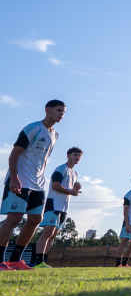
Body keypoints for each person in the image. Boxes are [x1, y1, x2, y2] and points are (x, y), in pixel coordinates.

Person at [0, 100, 65, 271]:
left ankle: (15, 260)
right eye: (58, 110)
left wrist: (41, 178)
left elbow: (43, 160)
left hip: (38, 183)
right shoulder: (33, 128)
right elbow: (14, 153)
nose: (61, 114)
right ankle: (0, 260)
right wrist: (14, 178)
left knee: (36, 219)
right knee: (14, 218)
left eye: (63, 111)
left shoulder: (55, 135)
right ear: (47, 110)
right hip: (21, 179)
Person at [35, 147, 83, 268]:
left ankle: (44, 262)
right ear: (68, 155)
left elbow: (72, 192)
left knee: (53, 235)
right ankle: (38, 261)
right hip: (54, 205)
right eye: (75, 155)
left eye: (79, 156)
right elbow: (56, 186)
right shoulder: (61, 169)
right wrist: (71, 192)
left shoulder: (74, 173)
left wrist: (76, 190)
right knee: (47, 233)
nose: (77, 158)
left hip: (64, 208)